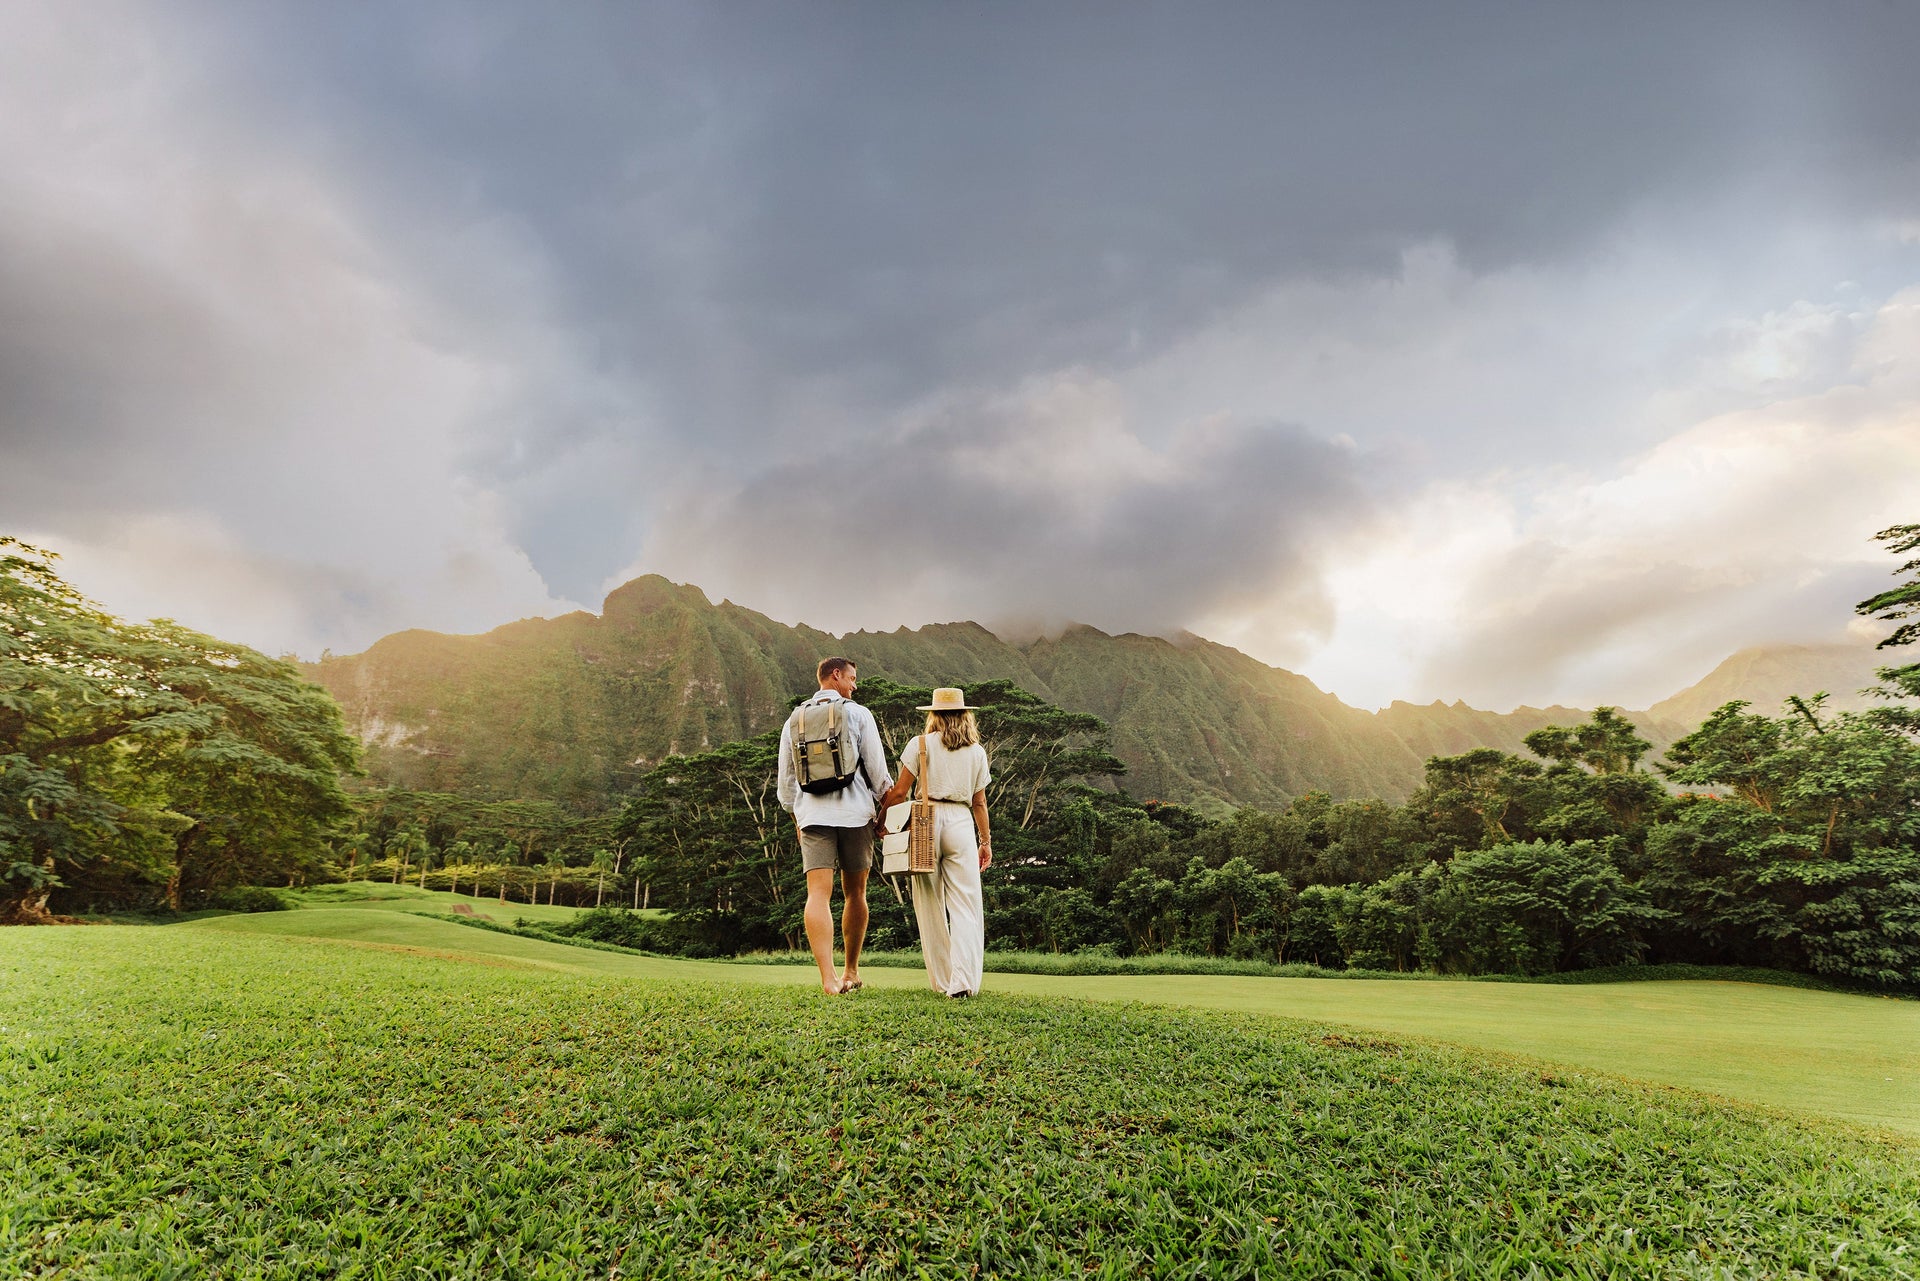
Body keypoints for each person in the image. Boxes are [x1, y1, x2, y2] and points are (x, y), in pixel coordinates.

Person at [777, 657, 892, 995]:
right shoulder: (858, 714)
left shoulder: (793, 720)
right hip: (856, 816)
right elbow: (879, 773)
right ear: (836, 675)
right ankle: (851, 971)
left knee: (817, 894)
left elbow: (786, 785)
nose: (855, 686)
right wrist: (883, 811)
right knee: (855, 892)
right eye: (852, 679)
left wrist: (798, 817)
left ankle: (828, 980)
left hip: (812, 817)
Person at [879, 687, 992, 999]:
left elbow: (899, 792)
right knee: (966, 906)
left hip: (925, 821)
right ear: (965, 714)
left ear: (933, 713)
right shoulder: (977, 752)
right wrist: (985, 841)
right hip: (960, 820)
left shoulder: (920, 745)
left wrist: (883, 823)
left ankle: (943, 982)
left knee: (929, 905)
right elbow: (979, 803)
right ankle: (963, 983)